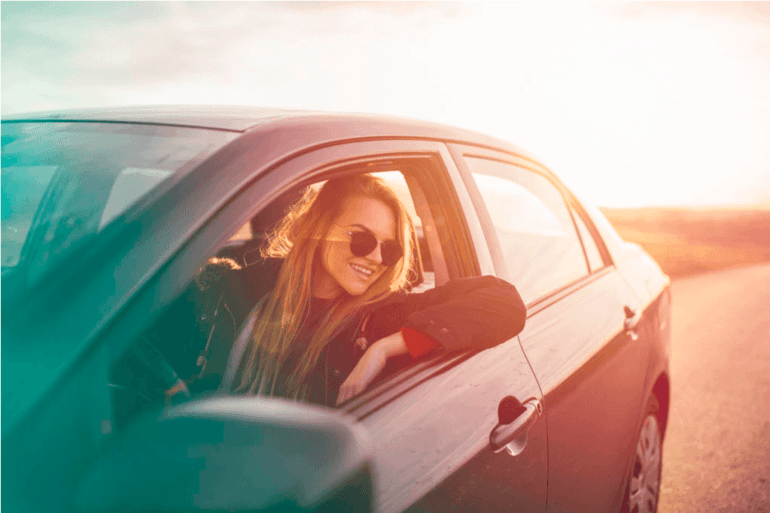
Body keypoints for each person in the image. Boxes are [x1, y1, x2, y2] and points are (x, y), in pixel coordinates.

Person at [226, 173, 526, 407]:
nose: (377, 258)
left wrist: (383, 349)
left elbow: (505, 304)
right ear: (319, 227)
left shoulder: (382, 318)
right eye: (362, 239)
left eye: (391, 249)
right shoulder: (255, 284)